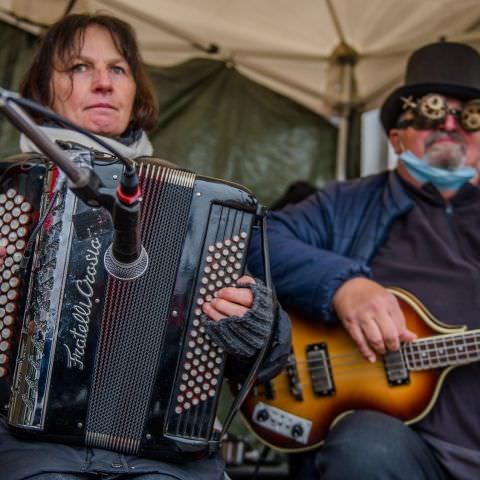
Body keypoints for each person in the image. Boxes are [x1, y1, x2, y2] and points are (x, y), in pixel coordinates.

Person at [0, 13, 290, 480]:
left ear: (136, 91)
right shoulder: (13, 187)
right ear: (40, 90)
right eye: (78, 67)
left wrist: (259, 325)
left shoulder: (200, 204)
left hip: (165, 453)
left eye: (118, 69)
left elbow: (268, 359)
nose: (102, 83)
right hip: (27, 447)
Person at [248, 41, 480, 480]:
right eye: (433, 112)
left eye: (469, 115)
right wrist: (343, 286)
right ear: (396, 137)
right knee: (363, 450)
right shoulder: (349, 203)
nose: (450, 125)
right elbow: (256, 240)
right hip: (395, 449)